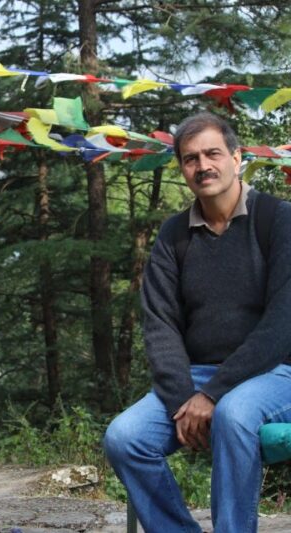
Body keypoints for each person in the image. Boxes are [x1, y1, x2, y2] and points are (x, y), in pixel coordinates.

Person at [104, 112, 291, 532]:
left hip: (278, 372)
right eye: (190, 159)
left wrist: (213, 395)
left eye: (213, 153)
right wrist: (184, 399)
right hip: (200, 376)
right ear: (182, 169)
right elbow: (160, 325)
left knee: (234, 413)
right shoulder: (173, 236)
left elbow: (283, 324)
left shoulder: (278, 220)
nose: (203, 166)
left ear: (237, 157)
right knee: (124, 438)